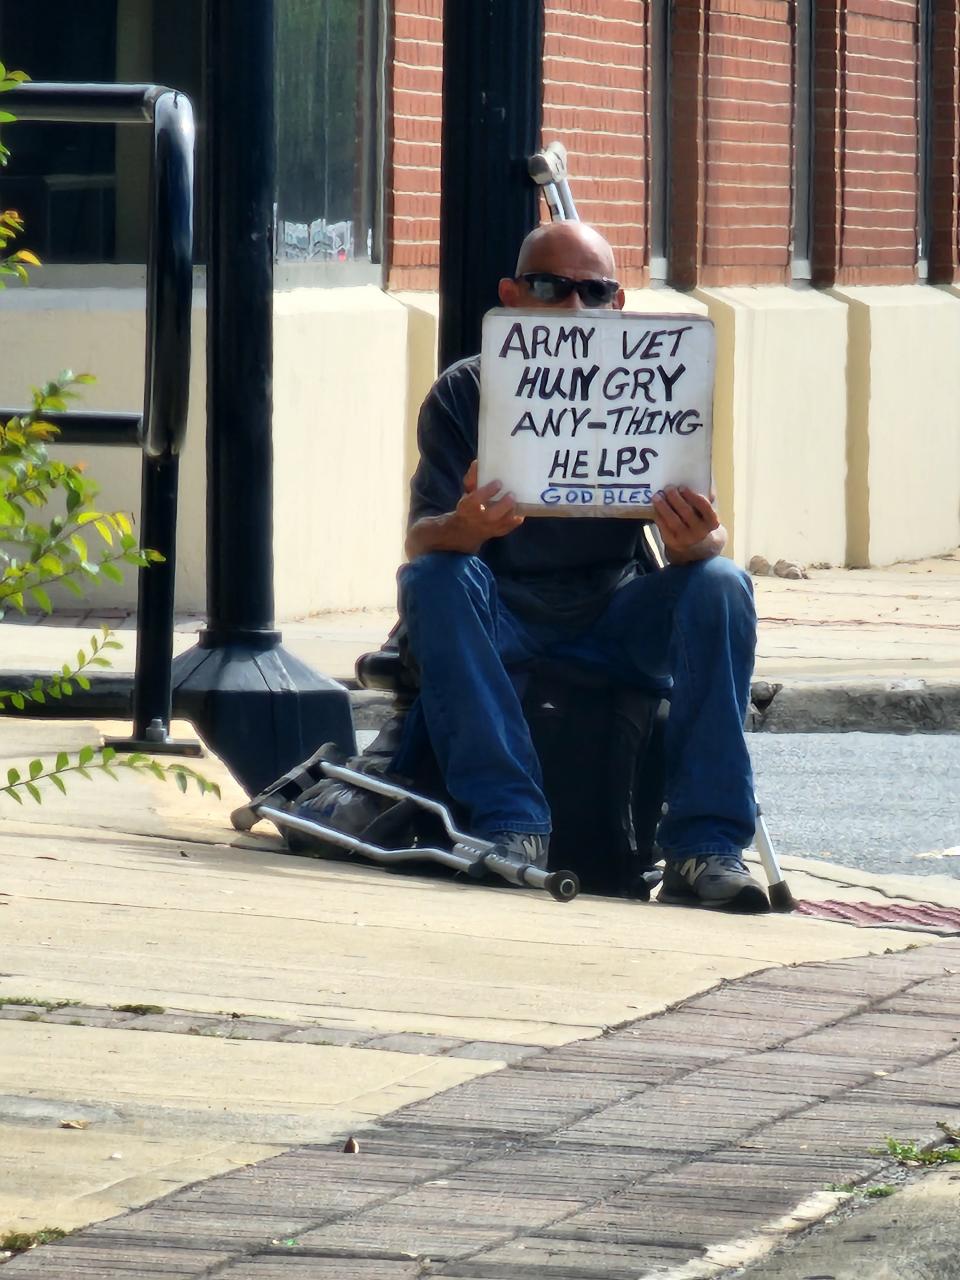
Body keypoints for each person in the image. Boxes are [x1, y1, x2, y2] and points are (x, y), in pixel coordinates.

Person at [390, 221, 768, 912]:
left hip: (612, 613)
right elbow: (422, 539)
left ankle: (704, 843)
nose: (573, 308)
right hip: (503, 611)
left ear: (616, 305)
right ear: (511, 296)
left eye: (593, 292)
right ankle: (511, 826)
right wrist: (463, 528)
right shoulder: (463, 392)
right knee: (433, 577)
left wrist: (697, 546)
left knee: (722, 584)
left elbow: (702, 543)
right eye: (549, 287)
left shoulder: (657, 384)